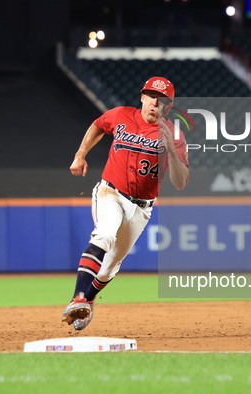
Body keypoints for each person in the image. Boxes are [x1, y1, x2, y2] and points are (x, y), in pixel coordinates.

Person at [63, 76, 189, 330]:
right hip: (111, 192)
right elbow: (98, 125)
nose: (155, 102)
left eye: (162, 100)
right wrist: (80, 154)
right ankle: (77, 297)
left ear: (169, 106)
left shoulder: (174, 135)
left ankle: (88, 299)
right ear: (142, 97)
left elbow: (180, 182)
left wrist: (172, 153)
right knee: (105, 234)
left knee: (111, 266)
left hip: (142, 207)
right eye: (151, 96)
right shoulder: (121, 115)